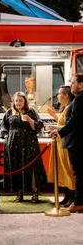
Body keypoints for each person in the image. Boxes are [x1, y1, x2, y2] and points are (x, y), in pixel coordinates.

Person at [0, 91, 47, 203]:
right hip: (13, 145)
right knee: (16, 168)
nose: (18, 103)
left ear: (25, 101)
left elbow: (39, 125)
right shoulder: (9, 112)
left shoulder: (31, 112)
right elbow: (3, 127)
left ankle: (35, 193)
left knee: (32, 168)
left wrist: (29, 120)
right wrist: (6, 137)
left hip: (29, 144)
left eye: (21, 100)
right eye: (16, 100)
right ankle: (19, 193)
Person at [50, 74, 83, 213]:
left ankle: (79, 202)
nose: (71, 85)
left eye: (73, 82)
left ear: (81, 84)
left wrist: (60, 132)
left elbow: (74, 120)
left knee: (79, 173)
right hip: (77, 140)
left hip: (77, 142)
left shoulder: (80, 100)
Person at [46, 85, 75, 207]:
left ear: (66, 96)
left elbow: (67, 126)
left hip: (65, 143)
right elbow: (63, 123)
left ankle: (72, 198)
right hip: (59, 143)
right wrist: (55, 116)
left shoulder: (70, 108)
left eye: (59, 94)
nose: (57, 96)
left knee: (69, 172)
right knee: (63, 172)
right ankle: (67, 196)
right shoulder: (66, 108)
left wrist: (53, 127)